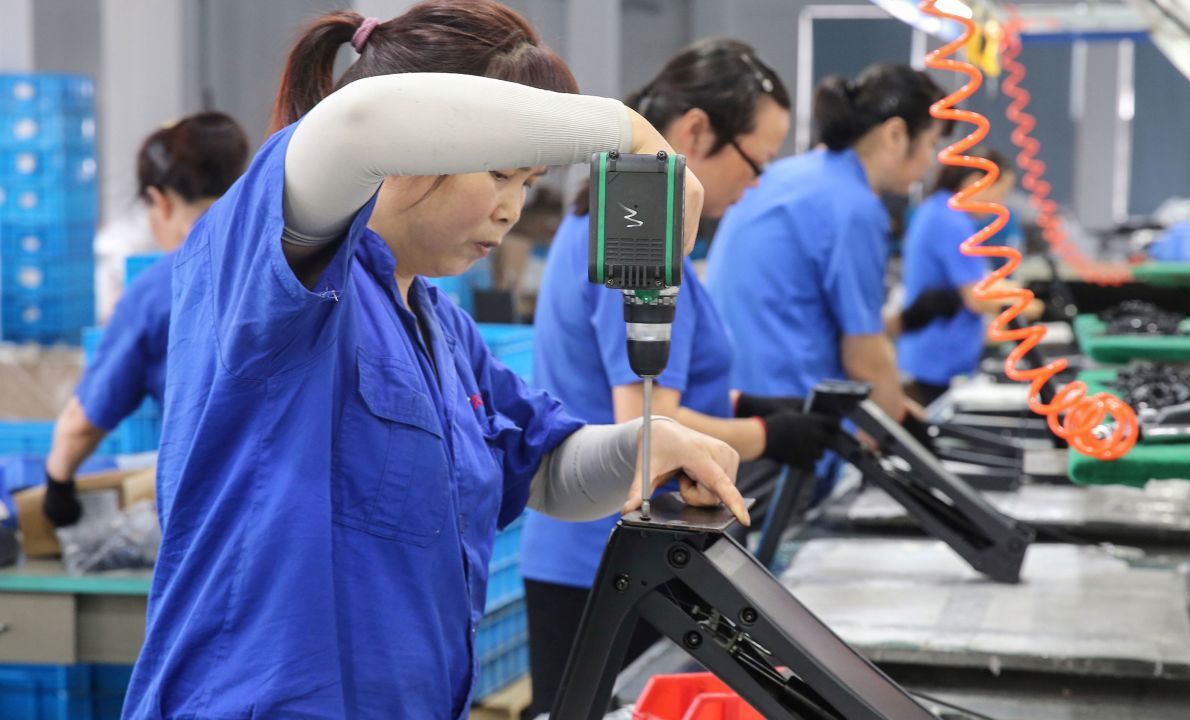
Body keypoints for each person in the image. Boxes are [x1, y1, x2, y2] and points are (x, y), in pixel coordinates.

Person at [119, 4, 748, 719]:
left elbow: (541, 468)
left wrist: (643, 448)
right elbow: (360, 124)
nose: (513, 209)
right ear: (418, 149)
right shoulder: (275, 276)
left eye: (529, 183)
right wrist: (625, 128)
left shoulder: (439, 327)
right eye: (501, 172)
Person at [520, 38, 839, 715]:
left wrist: (743, 403)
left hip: (609, 550)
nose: (756, 181)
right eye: (757, 159)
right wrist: (764, 433)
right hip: (609, 559)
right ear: (695, 131)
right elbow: (644, 422)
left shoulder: (625, 227)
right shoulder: (630, 240)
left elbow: (669, 388)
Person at [706, 64, 950, 426]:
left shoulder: (794, 174)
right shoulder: (854, 206)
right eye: (931, 144)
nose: (932, 163)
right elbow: (863, 356)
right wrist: (905, 423)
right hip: (787, 424)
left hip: (733, 406)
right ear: (895, 135)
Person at [41, 112, 249, 528]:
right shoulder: (291, 266)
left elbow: (82, 423)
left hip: (213, 521)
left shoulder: (160, 290)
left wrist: (58, 485)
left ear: (160, 201)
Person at [898, 146, 1040, 406]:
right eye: (1002, 191)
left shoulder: (937, 208)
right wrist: (1033, 307)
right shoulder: (952, 221)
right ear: (977, 182)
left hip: (929, 352)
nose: (1001, 202)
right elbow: (977, 297)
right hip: (940, 358)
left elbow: (977, 281)